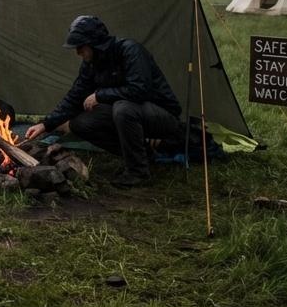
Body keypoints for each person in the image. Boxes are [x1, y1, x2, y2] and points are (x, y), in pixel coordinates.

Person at [23, 15, 186, 186]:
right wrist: (45, 124)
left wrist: (101, 95)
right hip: (127, 113)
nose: (77, 52)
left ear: (95, 44)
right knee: (80, 123)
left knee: (123, 108)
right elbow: (75, 97)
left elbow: (140, 90)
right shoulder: (91, 63)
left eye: (80, 47)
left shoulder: (130, 50)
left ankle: (138, 172)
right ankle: (143, 154)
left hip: (163, 116)